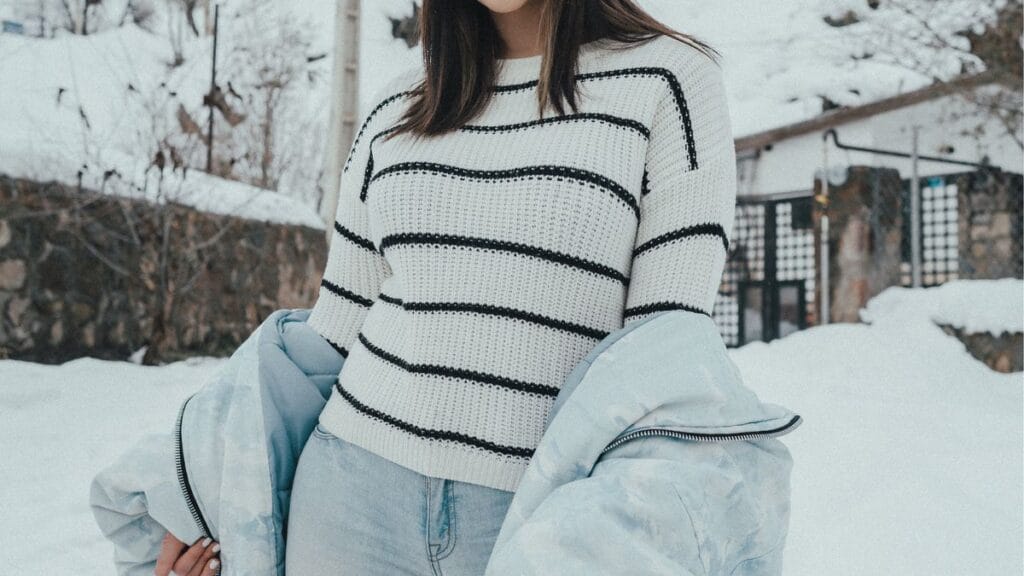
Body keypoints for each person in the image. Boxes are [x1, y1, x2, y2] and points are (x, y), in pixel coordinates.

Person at [156, 0, 737, 574]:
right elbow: (329, 337)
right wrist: (201, 504)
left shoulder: (671, 80)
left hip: (542, 525)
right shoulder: (398, 103)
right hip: (347, 504)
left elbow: (662, 364)